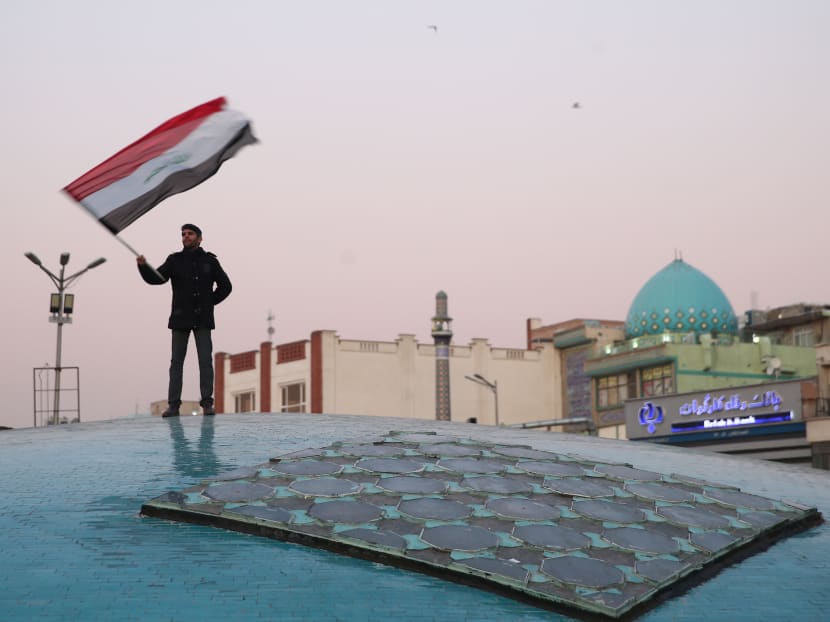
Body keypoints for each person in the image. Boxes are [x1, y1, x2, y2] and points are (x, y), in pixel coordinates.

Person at [137, 224, 232, 417]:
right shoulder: (175, 260)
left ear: (199, 238)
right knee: (176, 363)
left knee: (205, 361)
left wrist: (209, 303)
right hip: (180, 319)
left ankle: (207, 404)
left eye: (190, 234)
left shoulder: (210, 261)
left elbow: (226, 286)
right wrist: (143, 266)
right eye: (183, 234)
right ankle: (174, 406)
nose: (186, 237)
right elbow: (157, 278)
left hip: (203, 319)